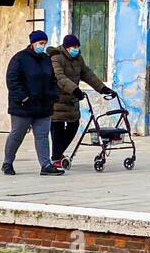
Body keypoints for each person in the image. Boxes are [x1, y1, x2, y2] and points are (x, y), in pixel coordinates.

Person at [2, 30, 63, 176]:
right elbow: (12, 80)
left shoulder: (46, 59)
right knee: (17, 134)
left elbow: (53, 79)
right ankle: (7, 162)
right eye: (41, 43)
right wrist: (23, 98)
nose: (43, 46)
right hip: (24, 107)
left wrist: (54, 95)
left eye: (44, 43)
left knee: (42, 136)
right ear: (33, 43)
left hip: (43, 106)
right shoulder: (19, 59)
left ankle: (46, 165)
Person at [48, 34, 115, 168]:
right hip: (57, 100)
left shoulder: (78, 59)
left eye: (78, 47)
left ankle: (58, 154)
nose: (76, 49)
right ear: (66, 47)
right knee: (57, 129)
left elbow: (88, 75)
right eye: (73, 47)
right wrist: (75, 89)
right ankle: (56, 157)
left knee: (74, 126)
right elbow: (60, 78)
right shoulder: (56, 58)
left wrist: (103, 89)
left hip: (72, 100)